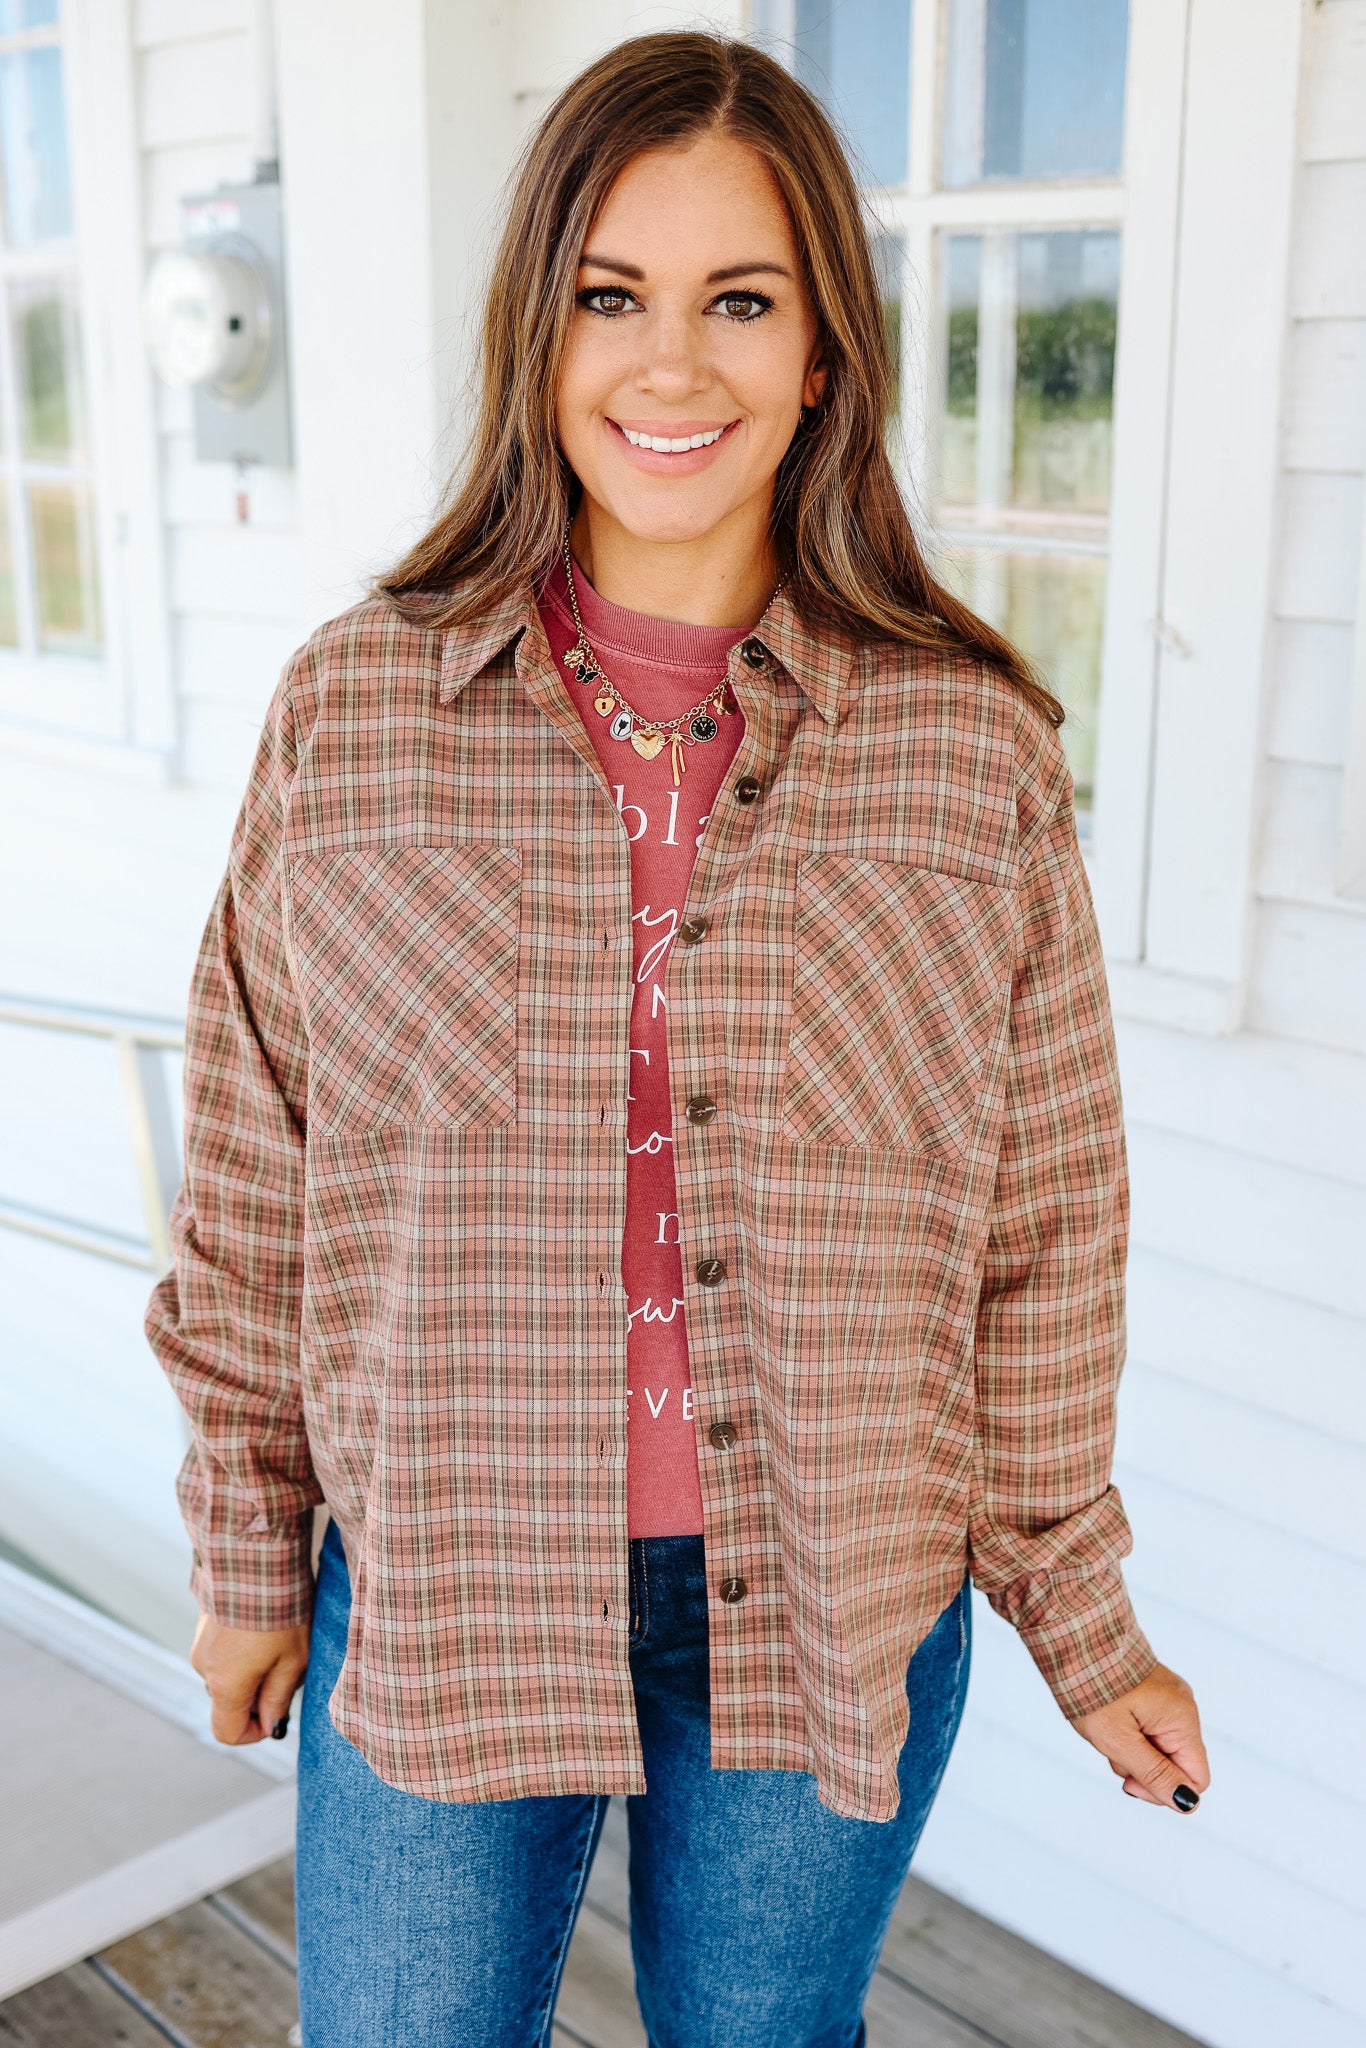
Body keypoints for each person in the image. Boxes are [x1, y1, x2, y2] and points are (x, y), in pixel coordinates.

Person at [144, 31, 1210, 2048]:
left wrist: (1081, 1619)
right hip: (445, 1585)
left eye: (740, 301)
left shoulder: (970, 752)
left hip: (831, 1602)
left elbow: (1043, 1231)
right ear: (536, 333)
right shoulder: (354, 713)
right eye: (609, 296)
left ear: (821, 353)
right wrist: (245, 1550)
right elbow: (256, 1182)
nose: (671, 364)